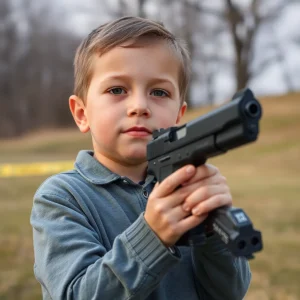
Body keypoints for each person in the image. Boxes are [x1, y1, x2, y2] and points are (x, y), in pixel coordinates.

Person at [30, 16, 251, 300]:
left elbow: (229, 292)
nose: (139, 106)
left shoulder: (189, 185)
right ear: (82, 114)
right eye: (117, 90)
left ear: (178, 117)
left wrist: (213, 228)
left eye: (159, 92)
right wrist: (153, 236)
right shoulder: (62, 197)